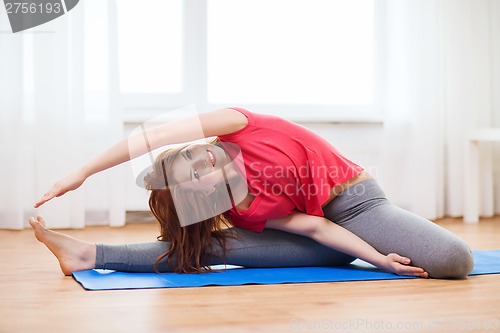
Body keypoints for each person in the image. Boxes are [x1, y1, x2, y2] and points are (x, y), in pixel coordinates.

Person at [30, 107, 474, 279]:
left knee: (454, 261)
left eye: (197, 156)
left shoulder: (238, 123)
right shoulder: (239, 210)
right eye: (194, 177)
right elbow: (314, 228)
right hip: (327, 242)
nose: (204, 164)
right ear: (197, 194)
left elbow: (154, 134)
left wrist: (83, 171)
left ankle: (383, 240)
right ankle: (90, 255)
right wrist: (379, 259)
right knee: (206, 246)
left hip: (357, 207)